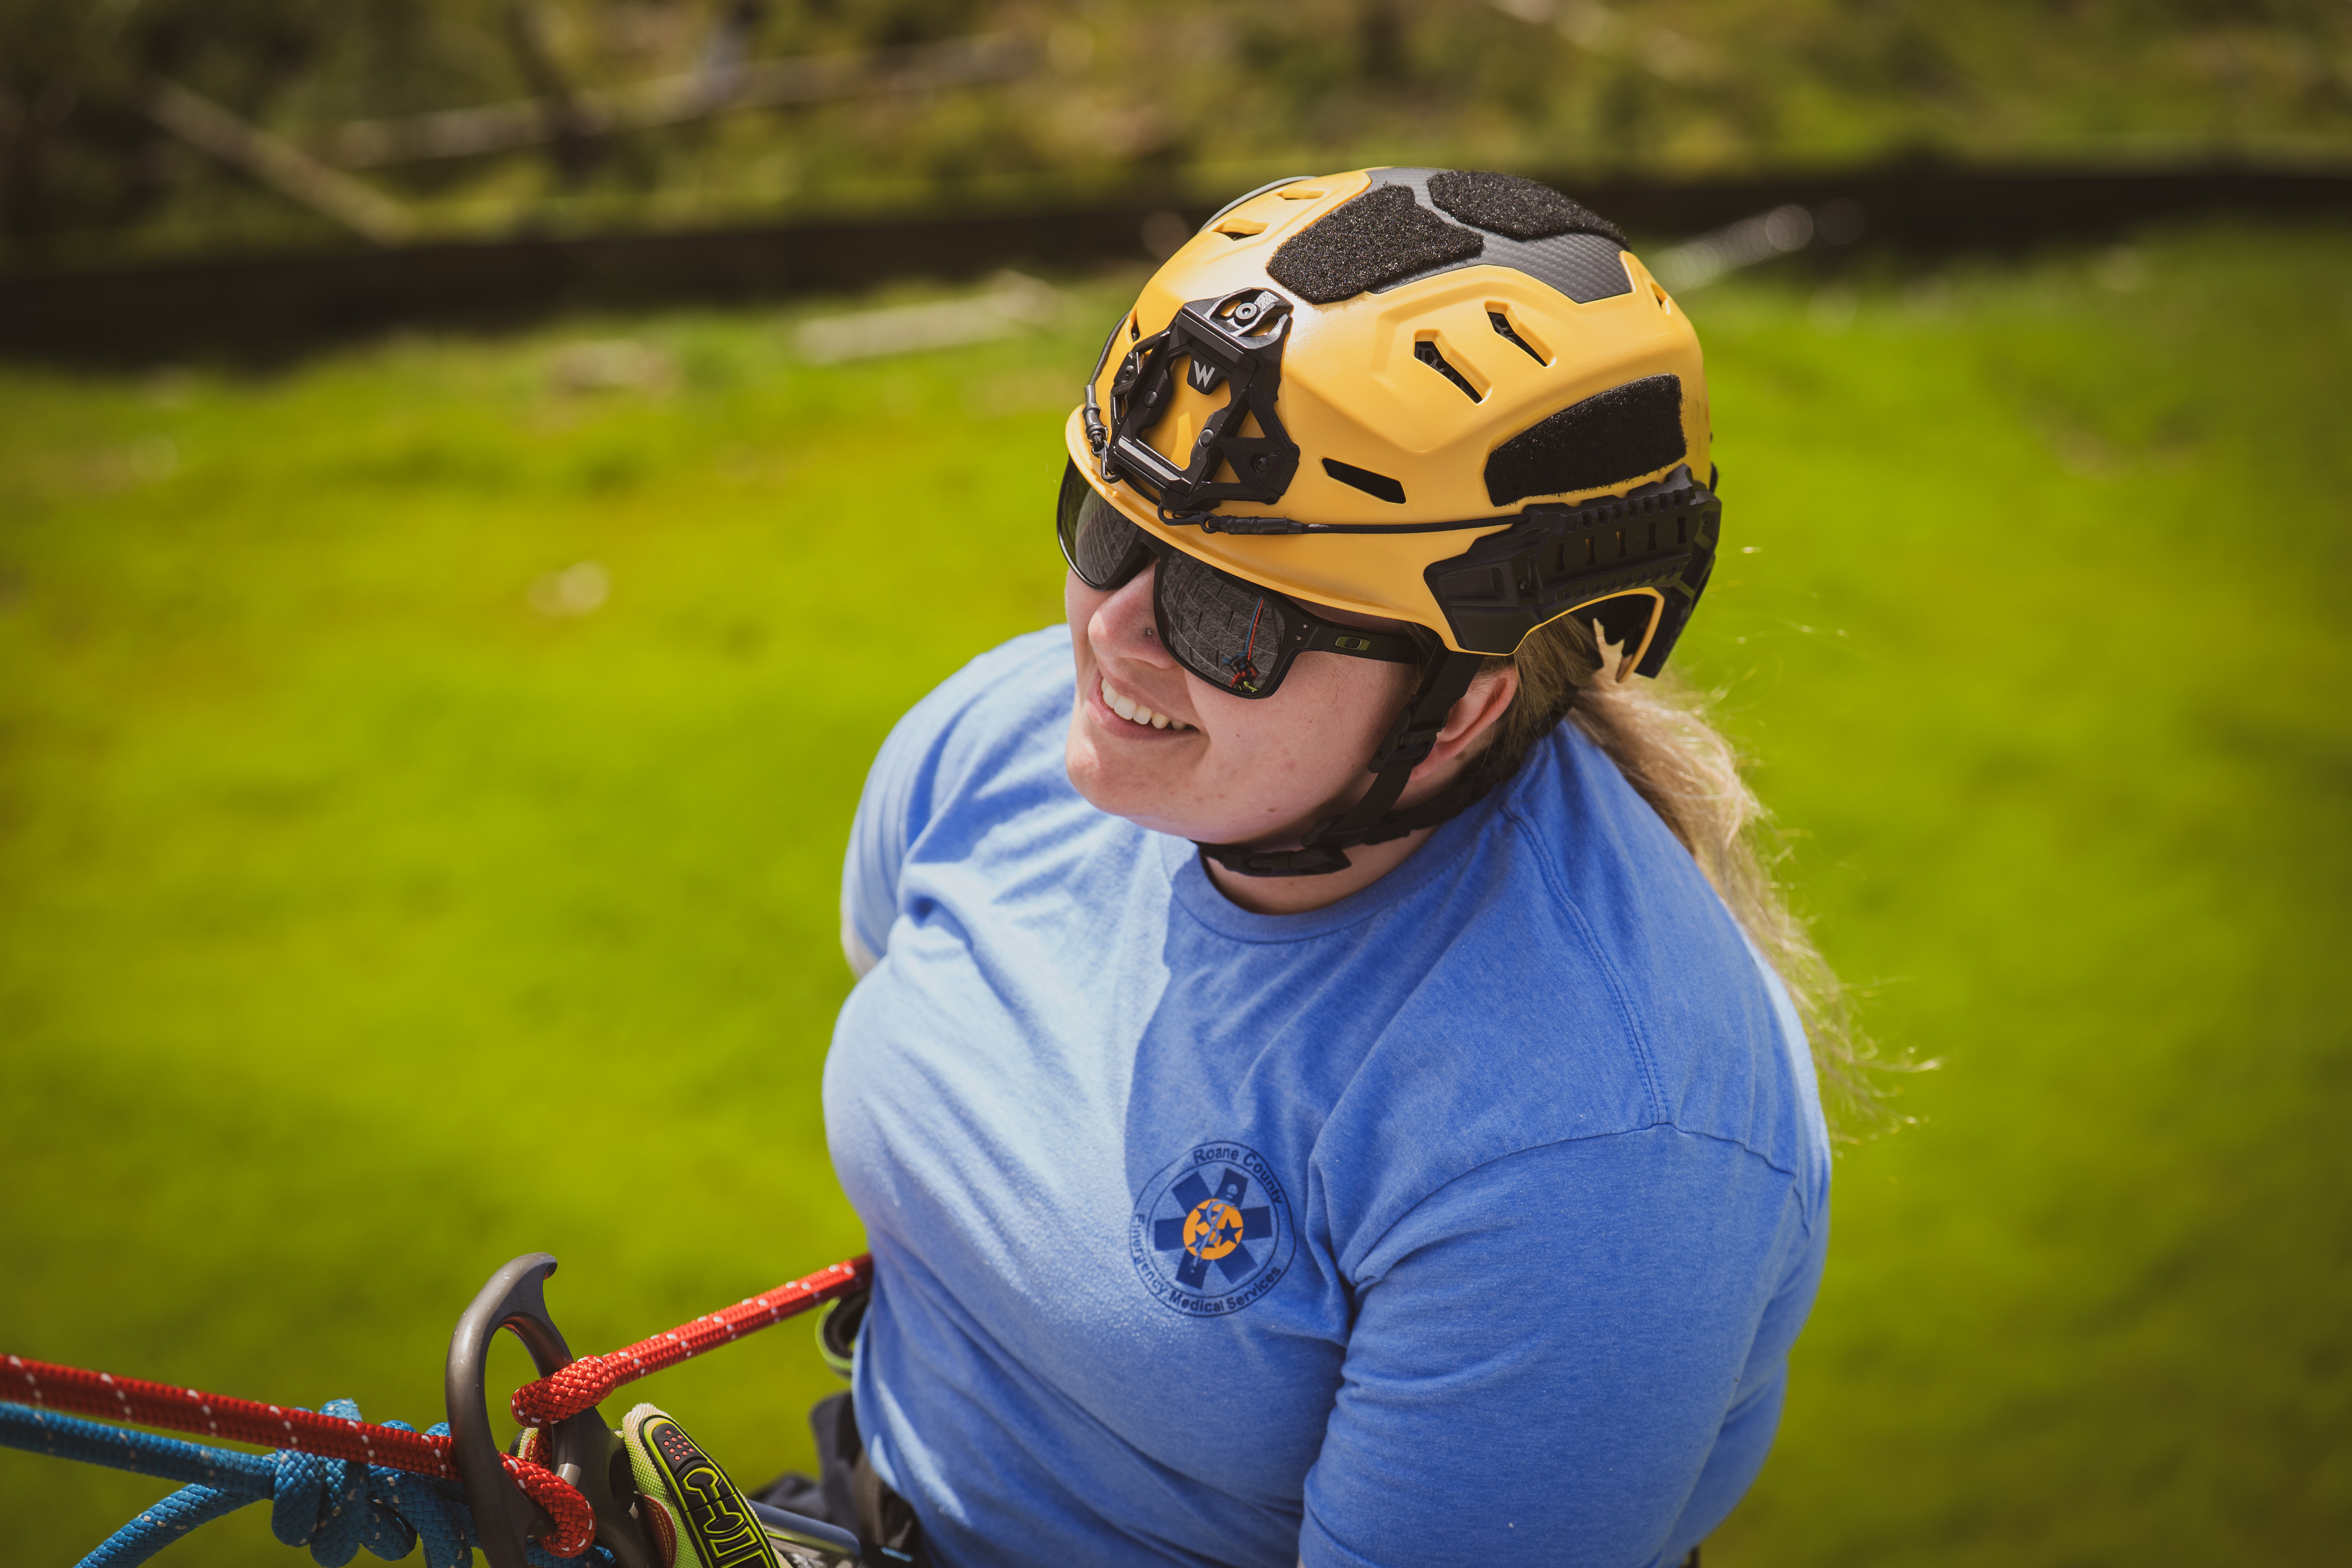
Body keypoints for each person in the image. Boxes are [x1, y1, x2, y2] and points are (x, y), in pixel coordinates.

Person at [793, 168, 1852, 1568]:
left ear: (1460, 704)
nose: (1108, 635)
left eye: (1226, 612)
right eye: (1107, 525)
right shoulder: (1002, 748)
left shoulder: (1596, 1145)